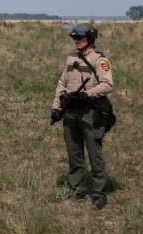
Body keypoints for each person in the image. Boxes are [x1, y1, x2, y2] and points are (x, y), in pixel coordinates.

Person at [50, 23, 116, 210]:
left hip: (90, 112)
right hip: (70, 112)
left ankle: (98, 193)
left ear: (90, 39)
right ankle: (76, 189)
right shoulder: (70, 58)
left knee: (95, 155)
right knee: (74, 154)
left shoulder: (99, 60)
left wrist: (87, 94)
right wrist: (55, 107)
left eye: (81, 38)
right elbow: (62, 83)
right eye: (75, 39)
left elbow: (107, 84)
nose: (77, 42)